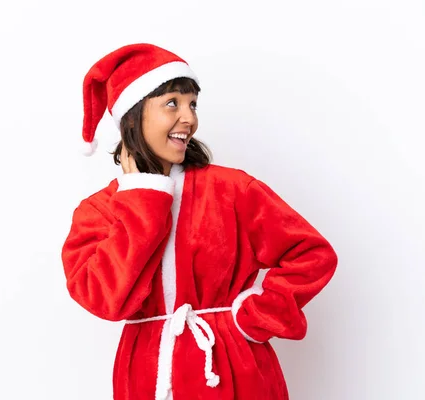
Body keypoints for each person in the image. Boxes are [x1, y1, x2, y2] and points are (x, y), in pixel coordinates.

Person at [61, 43, 338, 400]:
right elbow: (106, 300)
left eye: (193, 104)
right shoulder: (99, 211)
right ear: (133, 115)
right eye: (172, 103)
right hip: (146, 376)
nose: (189, 118)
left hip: (232, 367)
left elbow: (312, 255)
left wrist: (254, 317)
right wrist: (142, 198)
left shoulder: (232, 189)